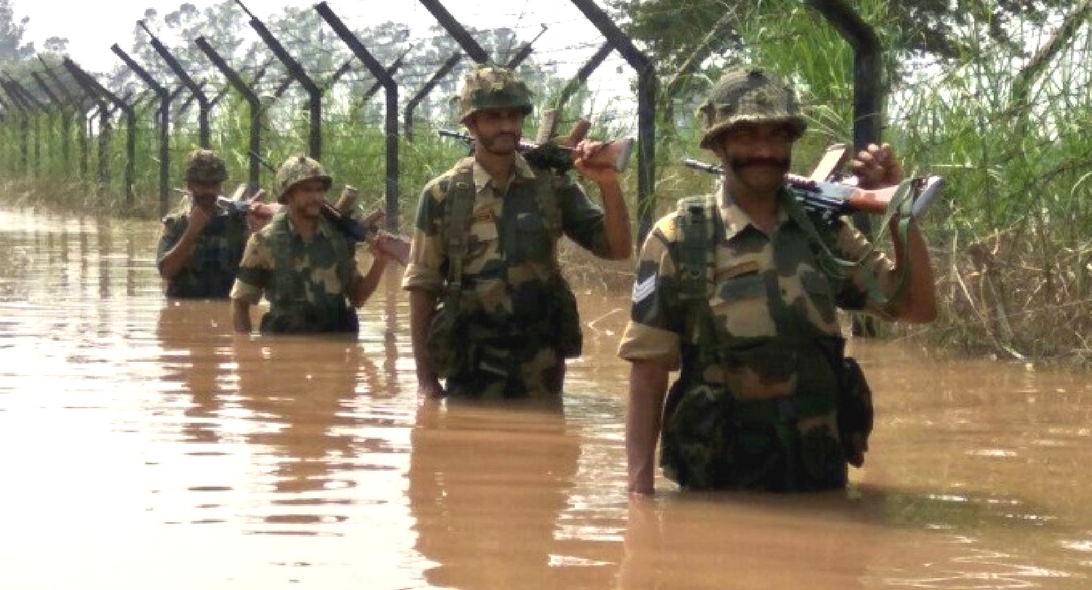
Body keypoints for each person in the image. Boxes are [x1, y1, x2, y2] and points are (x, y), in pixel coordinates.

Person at [619, 67, 937, 495]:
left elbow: (917, 308)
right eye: (747, 137)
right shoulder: (678, 238)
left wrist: (901, 209)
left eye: (777, 137)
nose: (764, 151)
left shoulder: (824, 234)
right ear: (718, 144)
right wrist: (638, 494)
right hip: (717, 491)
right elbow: (648, 369)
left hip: (819, 483)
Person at [402, 64, 633, 399]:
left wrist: (608, 185)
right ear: (470, 123)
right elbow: (422, 288)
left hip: (542, 368)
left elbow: (618, 248)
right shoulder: (442, 195)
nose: (507, 126)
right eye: (494, 117)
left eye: (514, 116)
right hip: (469, 368)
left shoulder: (550, 186)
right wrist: (425, 382)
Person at [231, 155, 391, 335]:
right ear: (288, 195)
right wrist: (244, 354)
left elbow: (358, 298)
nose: (315, 197)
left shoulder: (337, 239)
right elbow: (240, 303)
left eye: (319, 189)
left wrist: (380, 263)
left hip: (337, 350)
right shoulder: (263, 241)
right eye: (307, 190)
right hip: (285, 352)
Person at [156, 148, 251, 299]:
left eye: (213, 185)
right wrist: (191, 231)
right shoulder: (176, 224)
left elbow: (255, 277)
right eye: (202, 185)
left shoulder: (236, 224)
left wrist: (259, 233)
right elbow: (166, 271)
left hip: (225, 311)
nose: (208, 191)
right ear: (190, 186)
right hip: (183, 314)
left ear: (220, 186)